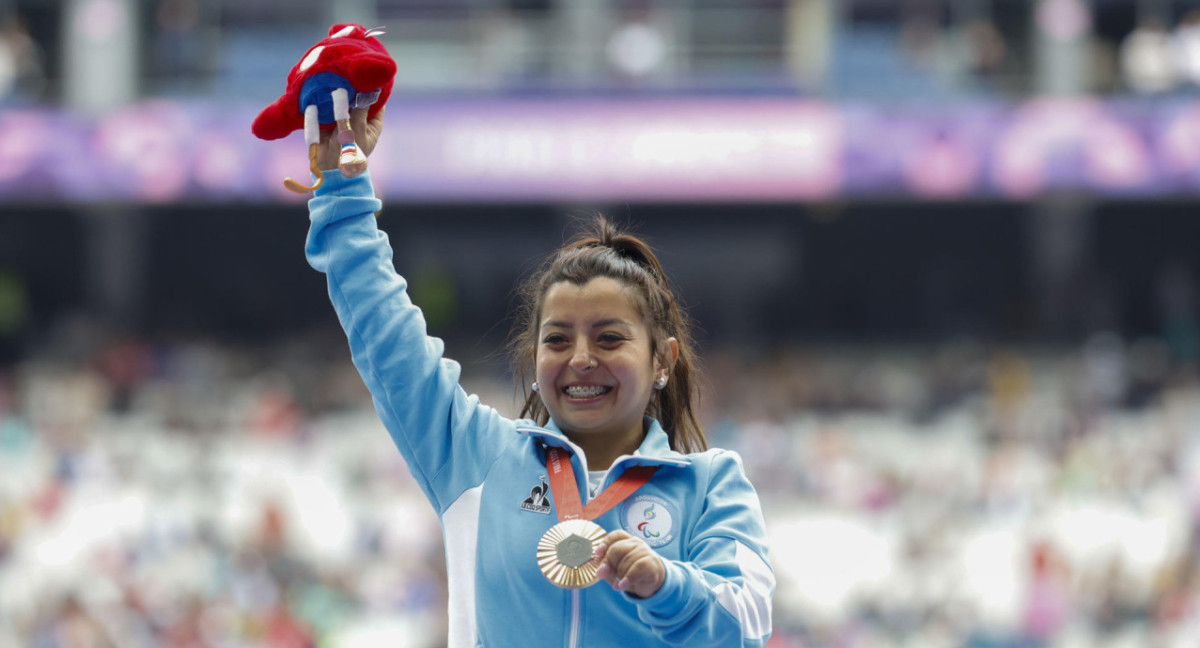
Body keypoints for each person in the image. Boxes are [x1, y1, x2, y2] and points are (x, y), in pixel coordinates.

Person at [300, 106, 774, 646]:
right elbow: (385, 337)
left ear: (662, 359)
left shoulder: (711, 484)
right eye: (557, 339)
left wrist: (665, 584)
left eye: (609, 337)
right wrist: (343, 190)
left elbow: (748, 623)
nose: (579, 358)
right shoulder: (476, 456)